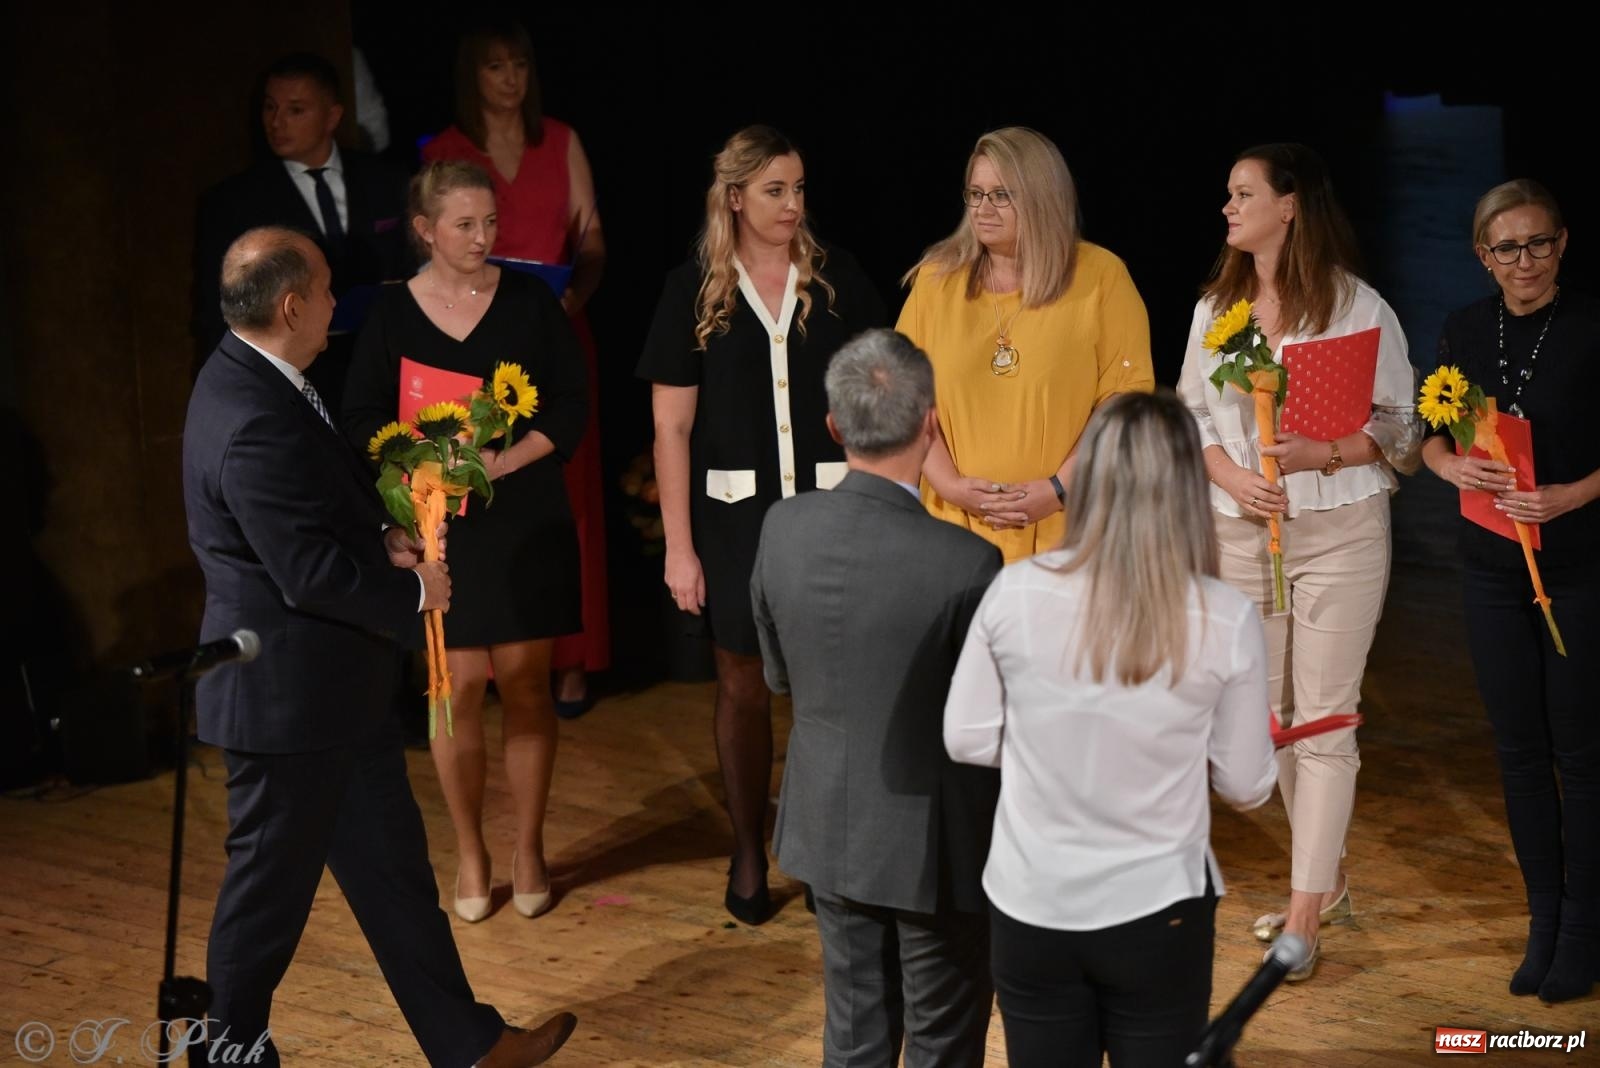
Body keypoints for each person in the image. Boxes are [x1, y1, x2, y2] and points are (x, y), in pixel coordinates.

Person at [184, 226, 575, 1066]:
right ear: (290, 305)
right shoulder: (250, 412)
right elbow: (303, 574)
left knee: (398, 885)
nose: (338, 300)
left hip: (337, 696)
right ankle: (226, 1058)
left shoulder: (261, 378)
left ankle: (469, 1046)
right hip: (287, 707)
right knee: (263, 911)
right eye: (326, 288)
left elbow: (310, 522)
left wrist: (384, 544)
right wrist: (414, 588)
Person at [944, 390, 1276, 1067]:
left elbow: (966, 737)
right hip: (1157, 915)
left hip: (1032, 905)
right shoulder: (1224, 616)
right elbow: (1247, 785)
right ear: (1187, 487)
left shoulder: (1017, 591)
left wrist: (1054, 744)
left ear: (1089, 479)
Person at [1175, 143, 1420, 981]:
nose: (1227, 207)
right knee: (1267, 718)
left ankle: (1306, 913)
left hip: (1341, 530)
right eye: (1228, 192)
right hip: (1243, 531)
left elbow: (1406, 428)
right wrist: (1237, 475)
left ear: (1290, 206)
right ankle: (1328, 876)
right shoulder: (1218, 307)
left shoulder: (1359, 308)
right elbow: (1192, 419)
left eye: (1242, 193)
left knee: (1325, 718)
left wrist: (1326, 452)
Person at [637, 125, 886, 924]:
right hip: (733, 525)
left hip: (831, 516)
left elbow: (886, 388)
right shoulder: (692, 289)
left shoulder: (837, 277)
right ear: (735, 196)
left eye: (800, 189)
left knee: (823, 695)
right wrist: (679, 547)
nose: (792, 205)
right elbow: (670, 429)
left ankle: (818, 853)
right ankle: (750, 849)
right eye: (776, 190)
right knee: (741, 687)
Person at [343, 161, 588, 925]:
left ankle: (528, 850)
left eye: (490, 222)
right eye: (464, 225)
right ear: (423, 230)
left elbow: (571, 404)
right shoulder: (390, 315)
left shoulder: (528, 301)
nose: (483, 237)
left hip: (523, 522)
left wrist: (501, 461)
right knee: (455, 693)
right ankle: (474, 854)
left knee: (524, 686)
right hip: (438, 526)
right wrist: (418, 468)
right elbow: (358, 420)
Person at [751, 329, 1002, 1067]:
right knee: (944, 1040)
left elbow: (778, 677)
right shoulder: (967, 561)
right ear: (932, 423)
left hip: (828, 821)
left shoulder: (781, 527)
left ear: (833, 427)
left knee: (854, 1037)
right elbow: (987, 725)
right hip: (938, 844)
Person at [1425, 179, 1600, 1003]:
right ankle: (1543, 922)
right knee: (1519, 755)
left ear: (1562, 244)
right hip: (1492, 567)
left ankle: (1584, 930)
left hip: (1579, 564)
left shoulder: (1593, 325)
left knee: (1581, 755)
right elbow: (1432, 434)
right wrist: (1448, 462)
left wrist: (1572, 495)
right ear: (1482, 255)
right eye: (1505, 248)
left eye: (1537, 244)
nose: (1522, 261)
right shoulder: (1465, 327)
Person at [424, 19, 609, 713]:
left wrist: (570, 300)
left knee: (568, 497)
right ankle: (488, 657)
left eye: (520, 65)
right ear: (472, 74)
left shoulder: (559, 140)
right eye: (495, 66)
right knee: (477, 491)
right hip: (470, 340)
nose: (510, 78)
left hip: (555, 331)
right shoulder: (444, 151)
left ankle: (570, 658)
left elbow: (591, 238)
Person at [896, 126, 1153, 563]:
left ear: (1042, 197)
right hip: (953, 530)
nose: (983, 208)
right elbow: (903, 395)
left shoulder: (1101, 277)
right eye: (975, 194)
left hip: (1067, 527)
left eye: (1001, 195)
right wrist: (952, 486)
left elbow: (1124, 399)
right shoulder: (937, 280)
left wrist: (1058, 489)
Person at [194, 52, 412, 419]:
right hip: (295, 384)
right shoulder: (234, 202)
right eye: (269, 108)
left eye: (296, 110)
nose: (277, 122)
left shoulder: (388, 182)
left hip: (385, 374)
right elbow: (215, 313)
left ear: (333, 116)